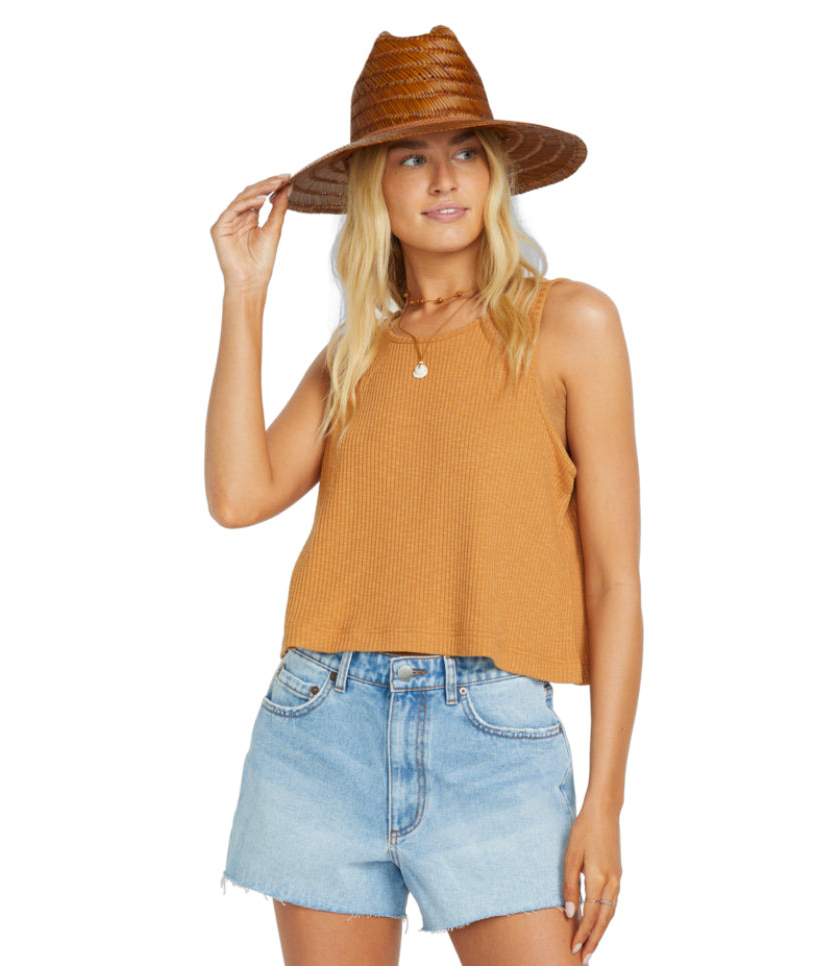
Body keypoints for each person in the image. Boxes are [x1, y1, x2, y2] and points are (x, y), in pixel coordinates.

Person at [206, 25, 642, 966]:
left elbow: (614, 582)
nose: (445, 179)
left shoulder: (571, 324)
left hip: (495, 737)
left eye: (466, 153)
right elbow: (238, 496)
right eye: (412, 157)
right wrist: (246, 295)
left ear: (495, 175)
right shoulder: (354, 354)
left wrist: (605, 802)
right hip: (323, 728)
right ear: (376, 188)